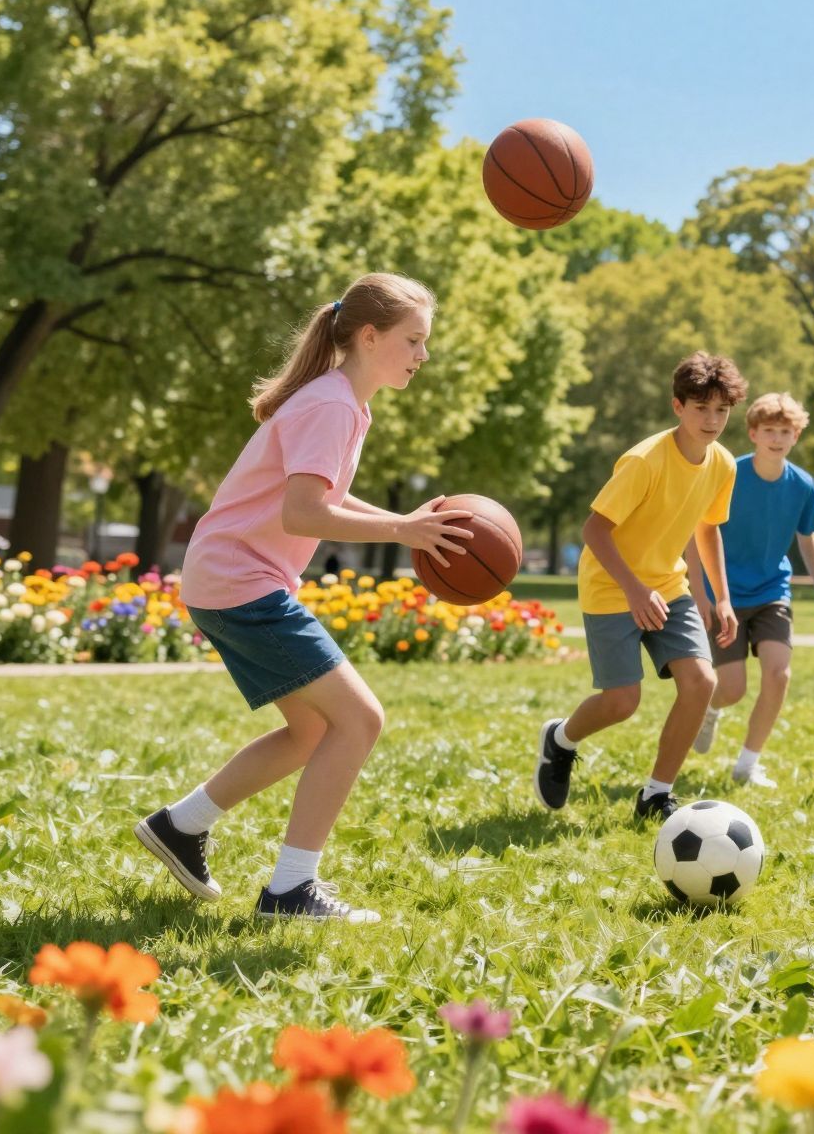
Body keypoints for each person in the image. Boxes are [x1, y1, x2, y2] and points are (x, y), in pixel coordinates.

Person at [133, 273, 470, 923]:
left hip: (229, 579)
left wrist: (404, 522)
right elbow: (303, 512)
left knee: (314, 729)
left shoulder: (346, 401)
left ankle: (182, 826)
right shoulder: (332, 404)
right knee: (361, 720)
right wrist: (403, 529)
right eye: (414, 340)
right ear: (370, 337)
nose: (423, 355)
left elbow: (327, 498)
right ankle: (291, 889)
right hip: (242, 582)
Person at [533, 353, 744, 821]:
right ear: (677, 406)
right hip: (612, 588)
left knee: (701, 682)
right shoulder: (645, 461)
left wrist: (722, 597)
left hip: (669, 586)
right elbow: (594, 531)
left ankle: (655, 795)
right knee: (622, 702)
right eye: (700, 408)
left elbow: (708, 529)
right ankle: (561, 739)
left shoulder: (723, 464)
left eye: (721, 411)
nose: (711, 421)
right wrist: (632, 589)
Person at [686, 393, 814, 788]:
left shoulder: (803, 484)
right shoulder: (728, 473)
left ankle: (747, 765)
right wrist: (702, 593)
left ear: (796, 436)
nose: (776, 438)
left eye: (785, 431)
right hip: (725, 594)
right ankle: (709, 709)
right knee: (732, 689)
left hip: (773, 590)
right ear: (753, 433)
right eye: (768, 430)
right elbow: (698, 529)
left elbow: (808, 538)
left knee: (778, 673)